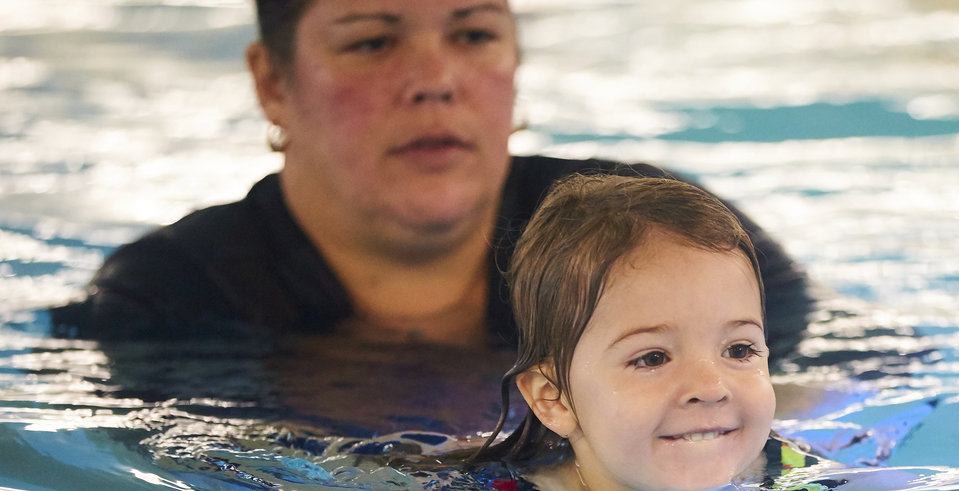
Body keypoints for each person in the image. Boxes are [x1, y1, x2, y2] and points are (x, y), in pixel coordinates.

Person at [50, 0, 813, 361]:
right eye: (373, 41)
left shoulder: (657, 240)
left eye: (474, 34)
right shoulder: (171, 300)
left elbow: (846, 399)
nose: (435, 80)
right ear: (273, 81)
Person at [464, 173, 844, 491]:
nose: (710, 388)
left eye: (739, 350)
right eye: (653, 358)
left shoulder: (799, 476)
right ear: (555, 399)